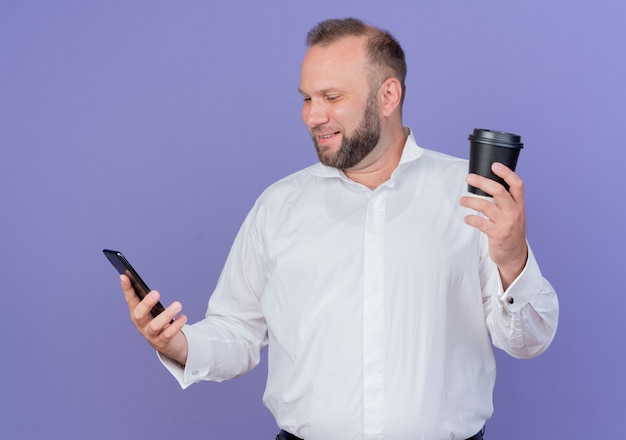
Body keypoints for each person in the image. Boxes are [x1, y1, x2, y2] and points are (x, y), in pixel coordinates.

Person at [121, 17, 559, 440]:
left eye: (331, 97)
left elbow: (529, 341)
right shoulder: (278, 206)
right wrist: (180, 346)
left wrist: (512, 259)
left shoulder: (471, 196)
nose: (312, 116)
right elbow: (237, 331)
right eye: (307, 98)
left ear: (388, 96)